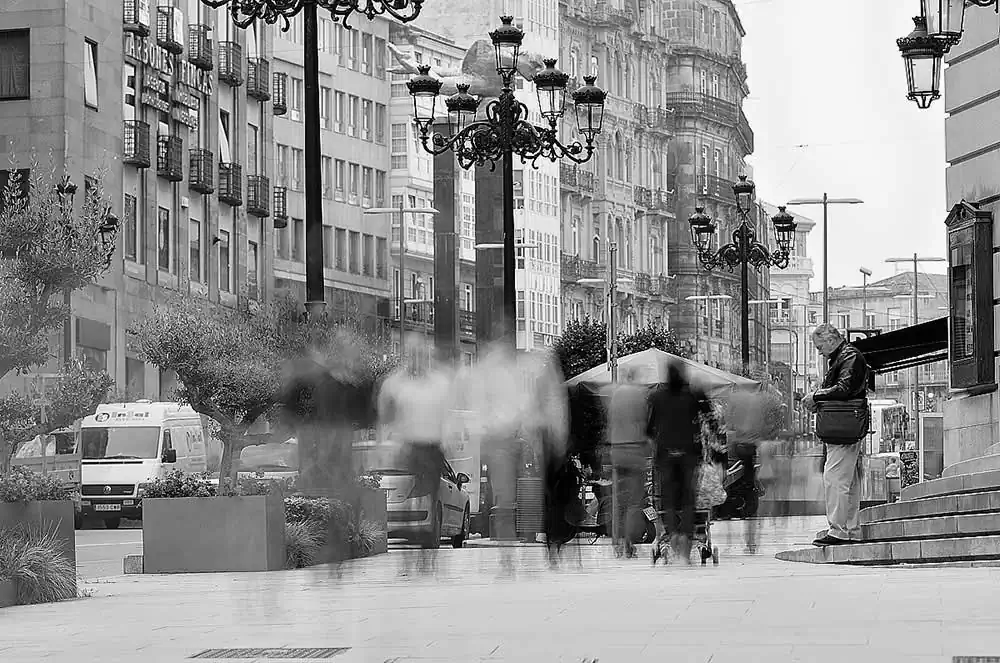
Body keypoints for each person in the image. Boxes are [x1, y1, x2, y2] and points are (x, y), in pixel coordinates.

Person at [802, 323, 870, 546]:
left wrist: (816, 396)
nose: (819, 352)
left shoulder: (849, 356)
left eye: (819, 346)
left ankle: (839, 530)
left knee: (835, 478)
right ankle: (850, 529)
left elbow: (844, 388)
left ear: (831, 340)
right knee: (847, 480)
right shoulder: (847, 356)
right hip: (846, 426)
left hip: (843, 428)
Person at [646, 359, 716, 564]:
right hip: (688, 453)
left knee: (668, 497)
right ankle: (685, 538)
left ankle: (672, 534)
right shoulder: (691, 396)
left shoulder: (657, 397)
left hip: (665, 454)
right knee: (687, 497)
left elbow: (648, 429)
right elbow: (710, 417)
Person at [607, 366, 651, 558]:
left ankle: (616, 541)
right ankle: (629, 543)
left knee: (617, 500)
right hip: (635, 451)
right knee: (634, 501)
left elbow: (611, 421)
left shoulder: (615, 395)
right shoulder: (639, 395)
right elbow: (645, 423)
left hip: (616, 451)